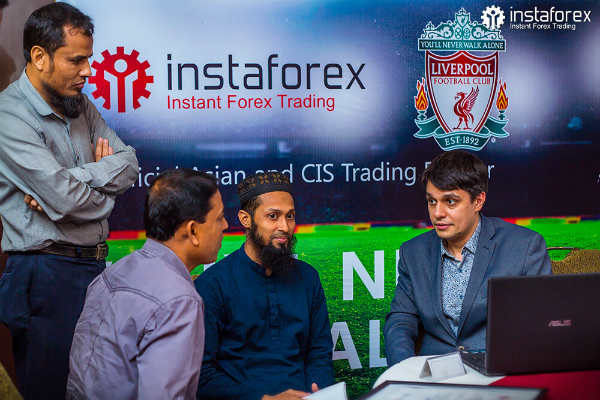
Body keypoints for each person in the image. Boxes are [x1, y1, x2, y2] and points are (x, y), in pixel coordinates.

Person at [0, 3, 139, 399]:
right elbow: (63, 200)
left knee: (96, 389)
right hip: (45, 274)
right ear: (40, 57)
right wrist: (96, 190)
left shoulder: (80, 104)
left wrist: (74, 180)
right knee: (52, 390)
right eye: (76, 60)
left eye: (88, 58)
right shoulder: (8, 116)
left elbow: (129, 162)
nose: (88, 71)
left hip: (92, 267)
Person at [67, 168, 227, 400]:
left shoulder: (112, 273)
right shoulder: (179, 300)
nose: (225, 226)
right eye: (219, 218)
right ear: (193, 230)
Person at [383, 150, 552, 366]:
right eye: (432, 201)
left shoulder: (524, 247)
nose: (437, 213)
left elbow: (541, 324)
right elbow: (400, 321)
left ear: (478, 201)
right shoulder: (413, 252)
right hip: (435, 373)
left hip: (499, 370)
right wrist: (404, 370)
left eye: (450, 201)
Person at [195, 172, 334, 400]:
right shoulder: (213, 284)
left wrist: (320, 393)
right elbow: (203, 373)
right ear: (246, 219)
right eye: (273, 216)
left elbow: (318, 355)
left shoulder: (308, 277)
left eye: (290, 216)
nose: (285, 227)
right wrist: (263, 399)